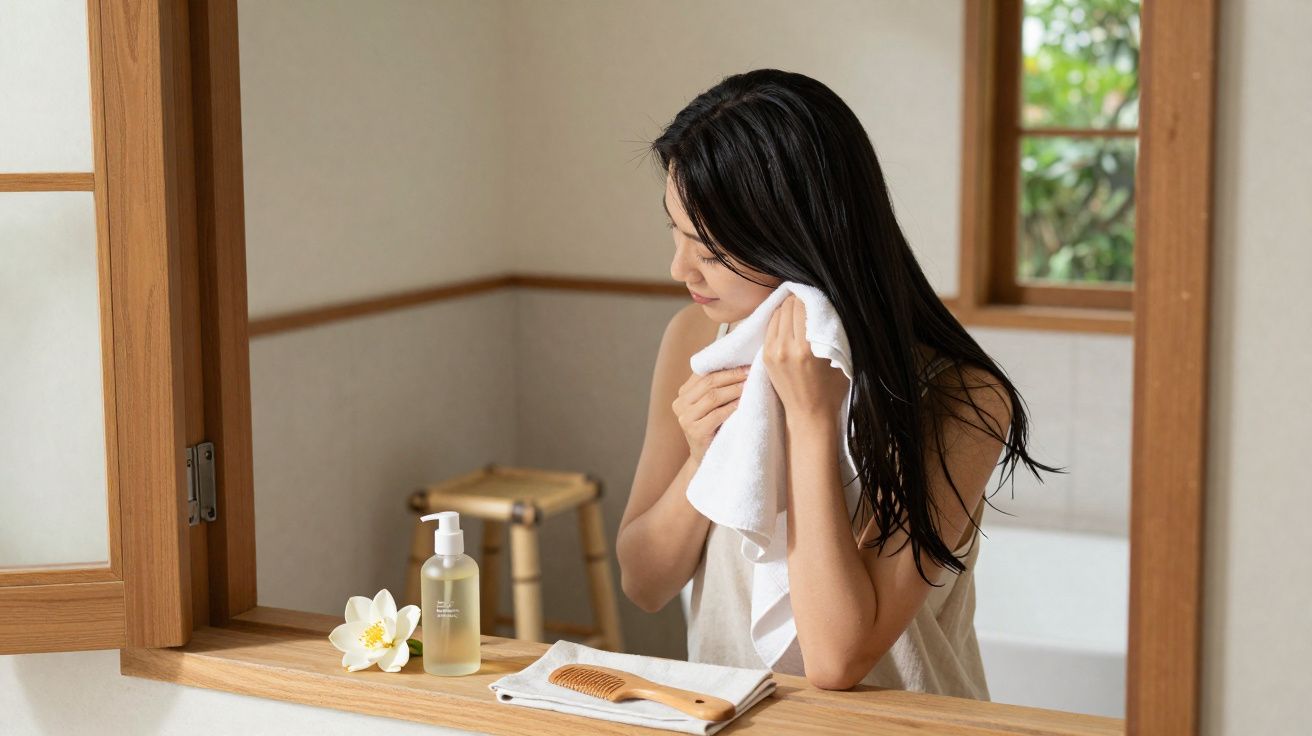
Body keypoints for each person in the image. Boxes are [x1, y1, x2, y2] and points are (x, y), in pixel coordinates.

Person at [615, 69, 1063, 696]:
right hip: (729, 716)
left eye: (711, 250)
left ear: (796, 239)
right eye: (676, 232)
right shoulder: (696, 338)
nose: (679, 268)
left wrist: (811, 420)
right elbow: (644, 583)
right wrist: (700, 458)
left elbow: (835, 659)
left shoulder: (962, 400)